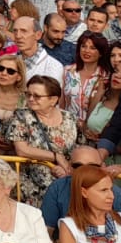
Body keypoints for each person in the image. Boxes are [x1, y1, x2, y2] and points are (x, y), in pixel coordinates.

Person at [9, 75, 79, 207]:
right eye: (28, 94)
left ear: (53, 99)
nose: (30, 99)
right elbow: (22, 150)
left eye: (37, 96)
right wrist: (55, 157)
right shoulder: (21, 116)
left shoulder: (70, 118)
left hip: (64, 184)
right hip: (30, 187)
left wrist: (66, 167)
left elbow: (78, 148)